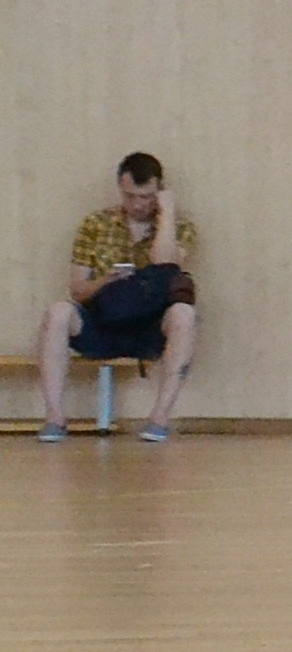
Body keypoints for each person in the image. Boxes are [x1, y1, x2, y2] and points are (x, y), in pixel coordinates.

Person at [37, 153, 197, 443]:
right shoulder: (95, 224)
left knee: (184, 314)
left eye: (146, 197)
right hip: (103, 320)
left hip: (149, 326)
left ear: (160, 191)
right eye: (129, 196)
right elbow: (77, 290)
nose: (137, 205)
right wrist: (106, 281)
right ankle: (55, 418)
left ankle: (159, 419)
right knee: (57, 312)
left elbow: (165, 262)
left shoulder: (179, 228)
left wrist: (167, 213)